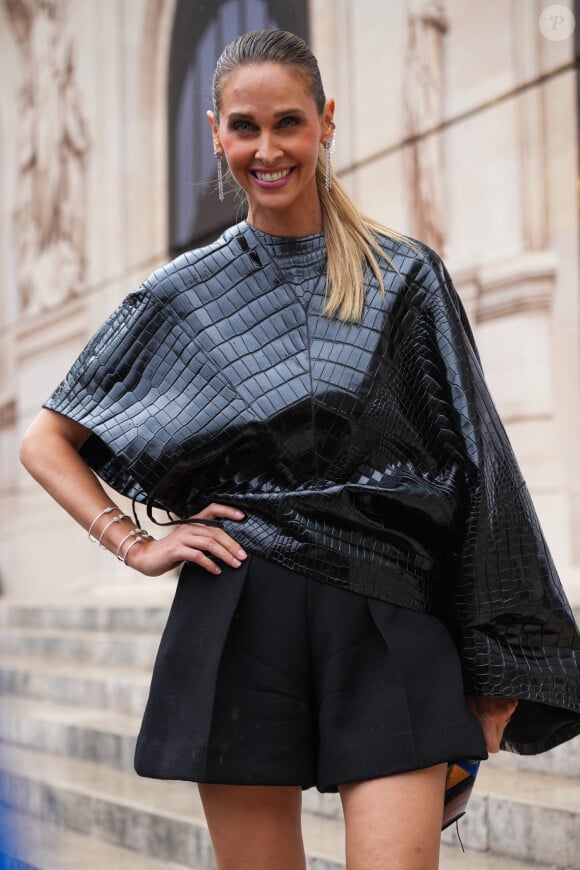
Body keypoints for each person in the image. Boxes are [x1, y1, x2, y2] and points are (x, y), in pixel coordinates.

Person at [20, 29, 580, 870]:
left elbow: (479, 465)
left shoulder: (406, 275)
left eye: (288, 122)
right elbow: (46, 438)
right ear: (215, 132)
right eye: (245, 127)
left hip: (393, 613)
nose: (268, 148)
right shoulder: (182, 293)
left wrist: (496, 658)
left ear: (325, 122)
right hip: (243, 610)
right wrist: (133, 541)